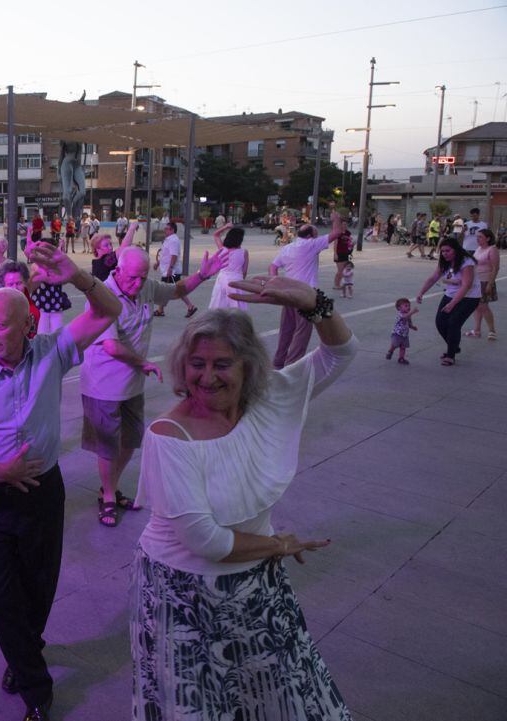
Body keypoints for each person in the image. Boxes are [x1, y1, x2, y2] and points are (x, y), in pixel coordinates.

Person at [132, 277, 357, 721]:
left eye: (222, 364)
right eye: (197, 363)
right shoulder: (169, 435)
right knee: (202, 705)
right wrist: (281, 545)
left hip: (257, 581)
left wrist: (314, 304)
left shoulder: (269, 398)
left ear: (248, 366)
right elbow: (206, 541)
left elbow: (340, 353)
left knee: (282, 693)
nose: (207, 376)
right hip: (184, 594)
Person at [0, 243, 121, 721]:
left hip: (41, 493)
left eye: (2, 324)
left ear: (28, 326)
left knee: (39, 588)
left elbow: (109, 309)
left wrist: (76, 275)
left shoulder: (52, 354)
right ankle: (38, 691)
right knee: (0, 595)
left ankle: (21, 655)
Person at [81, 246, 227, 528]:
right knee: (108, 445)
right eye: (132, 278)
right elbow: (111, 345)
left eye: (143, 277)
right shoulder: (101, 295)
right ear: (118, 271)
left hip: (132, 383)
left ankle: (108, 487)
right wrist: (143, 363)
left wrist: (203, 275)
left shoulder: (146, 286)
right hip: (103, 384)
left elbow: (176, 289)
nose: (138, 284)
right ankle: (109, 495)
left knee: (130, 439)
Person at [269, 212, 345, 369]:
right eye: (316, 233)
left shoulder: (288, 248)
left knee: (286, 330)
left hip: (287, 293)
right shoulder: (311, 245)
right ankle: (292, 364)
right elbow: (337, 233)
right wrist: (336, 219)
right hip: (305, 295)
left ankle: (278, 360)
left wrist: (274, 281)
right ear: (311, 235)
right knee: (302, 331)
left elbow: (273, 266)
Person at [415, 236, 481, 366]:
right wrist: (421, 292)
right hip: (450, 295)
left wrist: (453, 303)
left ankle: (451, 355)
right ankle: (454, 346)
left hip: (469, 298)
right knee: (440, 322)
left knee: (453, 323)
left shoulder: (466, 262)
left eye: (448, 251)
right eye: (443, 251)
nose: (445, 254)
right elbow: (433, 278)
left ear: (455, 250)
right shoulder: (444, 262)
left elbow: (466, 285)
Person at [153, 221, 197, 318]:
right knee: (173, 290)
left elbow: (174, 255)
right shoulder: (168, 239)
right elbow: (165, 255)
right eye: (165, 229)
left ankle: (190, 306)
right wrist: (158, 263)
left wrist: (170, 268)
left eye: (167, 229)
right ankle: (162, 310)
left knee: (169, 290)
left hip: (171, 271)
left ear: (172, 230)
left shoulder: (173, 241)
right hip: (167, 270)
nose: (165, 230)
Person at [465, 228, 499, 340]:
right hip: (476, 281)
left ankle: (492, 330)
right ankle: (477, 330)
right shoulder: (479, 248)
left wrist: (490, 283)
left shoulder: (492, 249)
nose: (477, 239)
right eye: (477, 237)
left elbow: (495, 268)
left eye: (480, 237)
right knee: (476, 306)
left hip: (485, 281)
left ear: (488, 238)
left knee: (483, 306)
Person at [208, 223, 250, 311]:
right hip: (236, 279)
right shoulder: (244, 252)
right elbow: (244, 271)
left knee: (219, 304)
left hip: (222, 279)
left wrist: (225, 227)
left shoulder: (223, 249)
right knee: (237, 307)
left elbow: (216, 234)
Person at [0, 260, 40, 338]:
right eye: (10, 284)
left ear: (25, 283)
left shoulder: (34, 311)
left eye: (18, 283)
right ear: (4, 285)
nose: (15, 288)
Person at [386, 297, 419, 365]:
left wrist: (412, 327)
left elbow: (409, 323)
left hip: (405, 335)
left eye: (409, 305)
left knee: (403, 347)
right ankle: (390, 351)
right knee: (395, 345)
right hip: (397, 334)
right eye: (406, 306)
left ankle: (401, 358)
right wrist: (412, 312)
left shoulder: (408, 315)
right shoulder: (400, 314)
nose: (408, 307)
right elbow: (404, 317)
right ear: (399, 308)